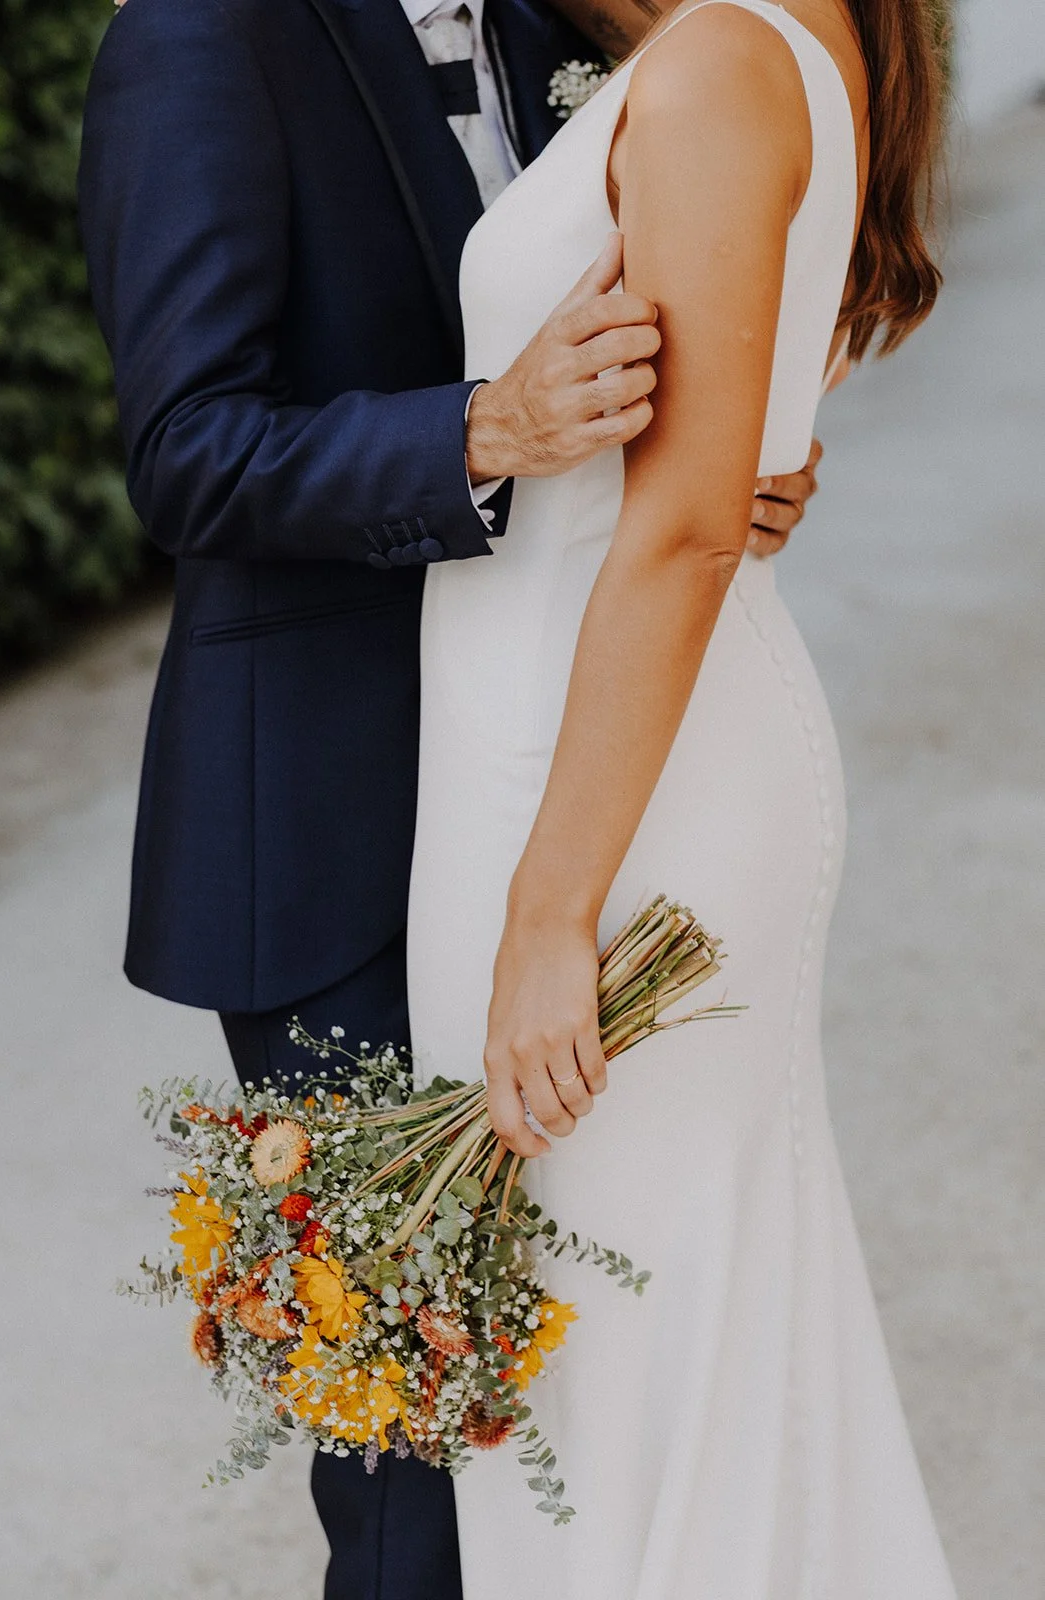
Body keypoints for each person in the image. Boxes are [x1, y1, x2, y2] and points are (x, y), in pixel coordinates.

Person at [76, 0, 821, 1595]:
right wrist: (484, 431)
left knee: (598, 1381)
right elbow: (186, 450)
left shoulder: (578, 22)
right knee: (417, 1440)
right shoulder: (200, 38)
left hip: (575, 798)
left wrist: (724, 463)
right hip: (333, 827)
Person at [406, 0, 961, 1595]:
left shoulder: (725, 54)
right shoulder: (783, 39)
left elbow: (679, 533)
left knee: (634, 1375)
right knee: (679, 1350)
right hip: (601, 750)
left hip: (597, 794)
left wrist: (546, 912)